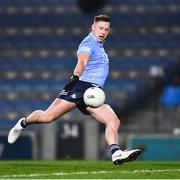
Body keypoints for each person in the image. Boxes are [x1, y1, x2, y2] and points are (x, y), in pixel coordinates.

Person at [8, 14, 141, 165]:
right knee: (47, 117)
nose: (103, 32)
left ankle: (116, 153)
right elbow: (82, 61)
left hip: (93, 93)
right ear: (93, 27)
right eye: (100, 28)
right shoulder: (89, 42)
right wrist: (75, 76)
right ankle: (22, 123)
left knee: (113, 120)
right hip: (80, 86)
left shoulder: (99, 45)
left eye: (106, 29)